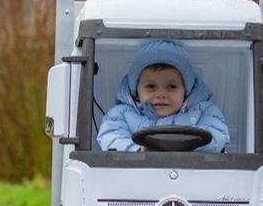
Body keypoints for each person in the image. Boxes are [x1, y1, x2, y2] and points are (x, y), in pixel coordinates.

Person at [97, 39, 230, 153]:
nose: (161, 94)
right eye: (151, 87)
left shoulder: (204, 111)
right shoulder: (122, 114)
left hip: (191, 177)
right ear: (136, 92)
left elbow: (216, 135)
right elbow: (111, 136)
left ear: (186, 91)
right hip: (137, 177)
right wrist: (138, 150)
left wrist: (188, 147)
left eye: (172, 87)